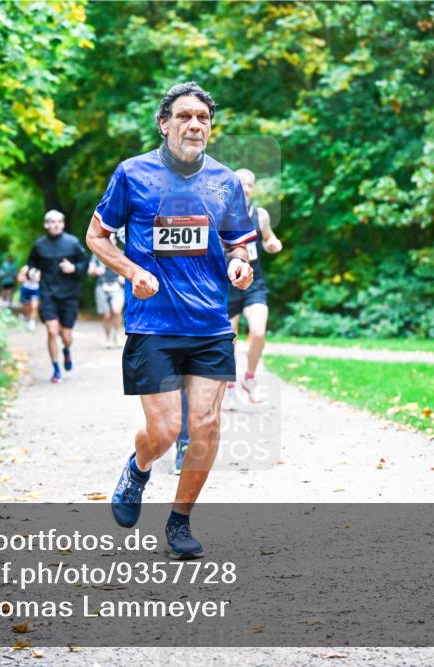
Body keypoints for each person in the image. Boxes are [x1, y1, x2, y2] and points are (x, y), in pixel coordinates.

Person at [86, 81, 256, 559]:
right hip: (153, 324)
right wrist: (132, 271)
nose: (194, 125)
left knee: (206, 424)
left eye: (203, 118)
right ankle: (138, 467)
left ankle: (180, 520)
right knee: (164, 431)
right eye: (184, 116)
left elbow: (239, 244)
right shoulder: (132, 174)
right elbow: (97, 236)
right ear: (164, 124)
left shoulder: (225, 181)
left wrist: (240, 264)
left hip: (210, 325)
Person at [226, 167, 283, 403]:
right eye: (242, 183)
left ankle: (249, 378)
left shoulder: (260, 215)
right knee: (229, 338)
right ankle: (229, 385)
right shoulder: (221, 213)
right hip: (228, 283)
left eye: (250, 184)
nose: (246, 188)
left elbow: (269, 237)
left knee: (258, 331)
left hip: (254, 282)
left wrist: (273, 244)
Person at [26, 210, 89, 384]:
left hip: (69, 296)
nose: (56, 225)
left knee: (66, 336)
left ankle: (66, 350)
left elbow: (85, 263)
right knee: (52, 330)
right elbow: (30, 265)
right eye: (52, 222)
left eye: (59, 222)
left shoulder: (72, 243)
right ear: (46, 224)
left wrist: (74, 268)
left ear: (63, 224)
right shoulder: (39, 245)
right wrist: (32, 273)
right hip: (48, 295)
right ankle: (56, 369)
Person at [89, 237, 126, 348]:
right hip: (102, 286)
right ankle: (107, 338)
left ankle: (118, 335)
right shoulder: (97, 253)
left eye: (111, 239)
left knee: (117, 311)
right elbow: (90, 270)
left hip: (117, 286)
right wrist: (95, 271)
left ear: (115, 241)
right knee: (106, 315)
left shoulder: (121, 253)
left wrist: (124, 277)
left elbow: (129, 269)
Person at [17, 264, 41, 332]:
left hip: (35, 290)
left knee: (34, 307)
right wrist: (28, 276)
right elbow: (19, 279)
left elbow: (41, 280)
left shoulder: (40, 268)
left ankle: (32, 322)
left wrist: (37, 278)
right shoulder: (25, 268)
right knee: (26, 307)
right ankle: (25, 315)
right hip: (26, 289)